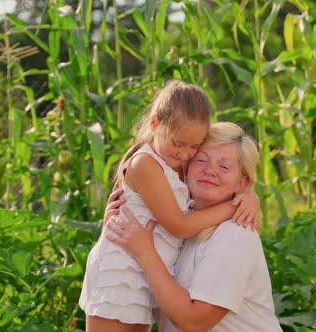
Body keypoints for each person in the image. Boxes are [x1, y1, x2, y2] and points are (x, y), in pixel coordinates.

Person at [79, 81, 259, 332]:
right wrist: (233, 207)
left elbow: (217, 184)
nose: (186, 154)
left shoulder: (176, 160)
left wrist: (250, 197)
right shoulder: (146, 163)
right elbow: (179, 226)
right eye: (178, 143)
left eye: (195, 146)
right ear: (154, 124)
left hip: (147, 268)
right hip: (121, 266)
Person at [107, 122, 282, 331]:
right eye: (201, 160)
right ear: (187, 166)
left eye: (224, 166)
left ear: (241, 182)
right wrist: (118, 222)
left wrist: (145, 253)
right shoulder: (175, 227)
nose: (210, 171)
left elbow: (194, 321)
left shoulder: (235, 234)